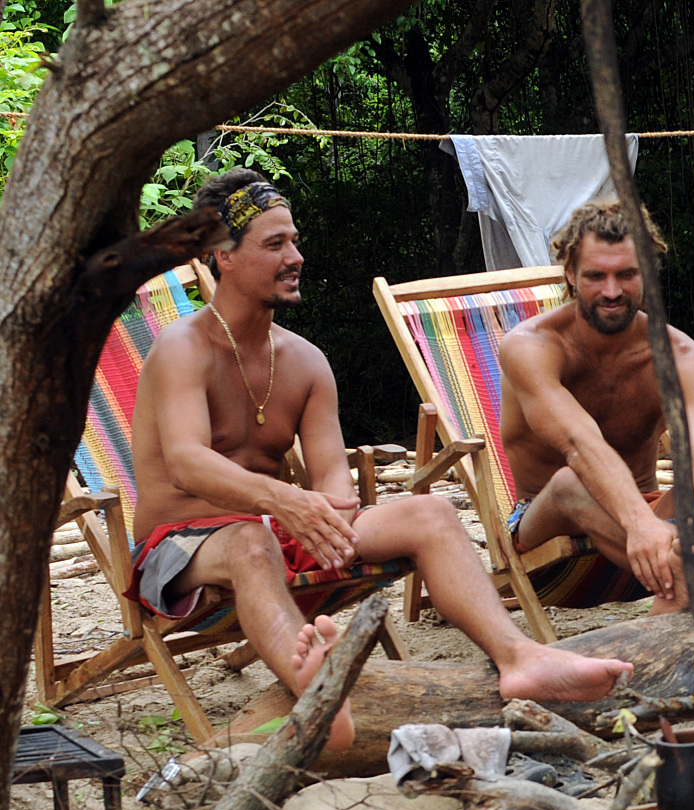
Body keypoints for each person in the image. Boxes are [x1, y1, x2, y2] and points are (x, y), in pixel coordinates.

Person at [129, 170, 633, 751]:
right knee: (250, 541)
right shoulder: (181, 347)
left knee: (432, 515)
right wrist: (288, 501)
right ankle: (318, 694)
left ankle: (517, 656)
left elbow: (331, 478)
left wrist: (335, 510)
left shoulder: (304, 362)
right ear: (223, 255)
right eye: (274, 245)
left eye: (293, 240)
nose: (295, 256)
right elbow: (189, 462)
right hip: (179, 545)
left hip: (273, 528)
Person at [499, 201, 694, 612]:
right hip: (551, 540)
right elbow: (580, 444)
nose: (612, 291)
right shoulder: (530, 347)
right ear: (571, 276)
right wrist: (642, 525)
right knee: (570, 480)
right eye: (596, 276)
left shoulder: (683, 357)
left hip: (655, 529)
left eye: (627, 274)